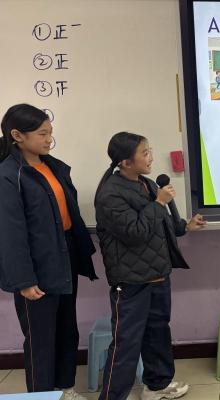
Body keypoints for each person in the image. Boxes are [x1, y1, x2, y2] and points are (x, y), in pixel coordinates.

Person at [94, 132, 206, 400]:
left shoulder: (147, 184)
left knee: (158, 333)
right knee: (126, 343)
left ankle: (157, 385)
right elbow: (135, 232)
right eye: (144, 153)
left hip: (157, 275)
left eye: (149, 150)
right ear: (125, 162)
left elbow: (159, 224)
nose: (151, 157)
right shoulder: (110, 194)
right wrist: (159, 203)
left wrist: (185, 227)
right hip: (131, 282)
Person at [0, 104, 97, 399]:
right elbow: (10, 234)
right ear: (17, 135)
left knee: (67, 329)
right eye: (42, 134)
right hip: (36, 267)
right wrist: (24, 280)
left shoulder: (53, 166)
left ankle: (64, 388)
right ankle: (40, 395)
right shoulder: (9, 175)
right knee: (40, 340)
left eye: (50, 133)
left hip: (64, 256)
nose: (48, 139)